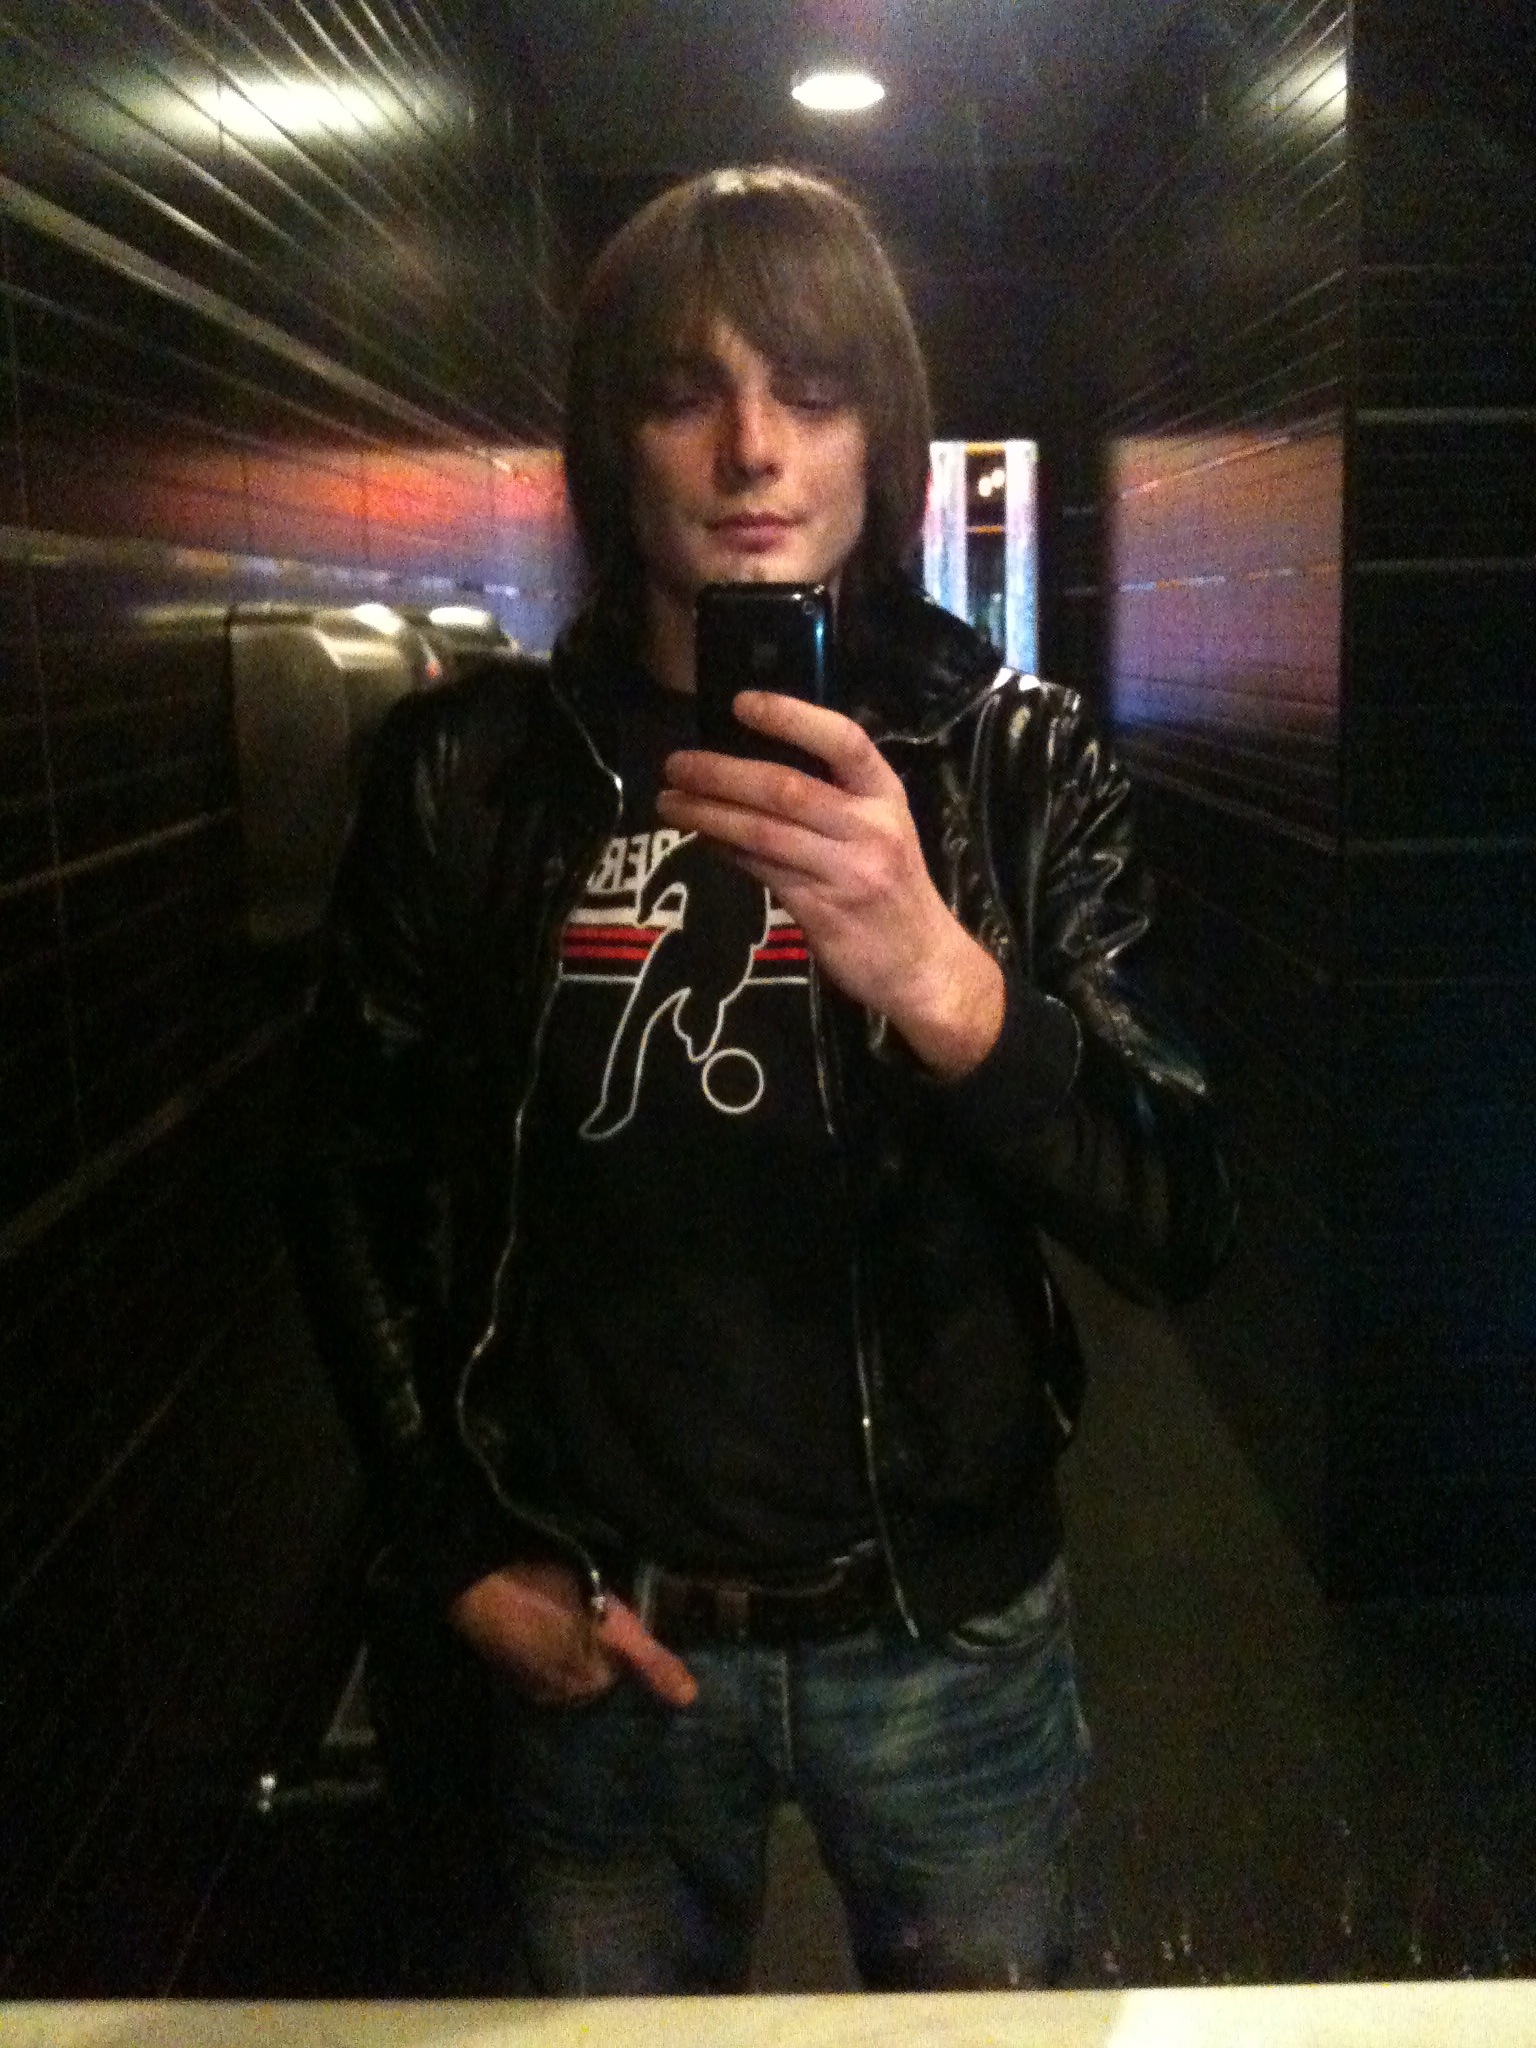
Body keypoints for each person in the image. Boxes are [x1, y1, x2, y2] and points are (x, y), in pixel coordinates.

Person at [288, 165, 1235, 1995]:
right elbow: (342, 1176)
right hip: (604, 1643)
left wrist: (943, 979)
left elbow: (1182, 1216)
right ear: (609, 443)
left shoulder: (1016, 766)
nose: (752, 450)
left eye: (810, 390)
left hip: (944, 1638)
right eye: (683, 394)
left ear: (883, 438)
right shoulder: (470, 776)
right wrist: (454, 1541)